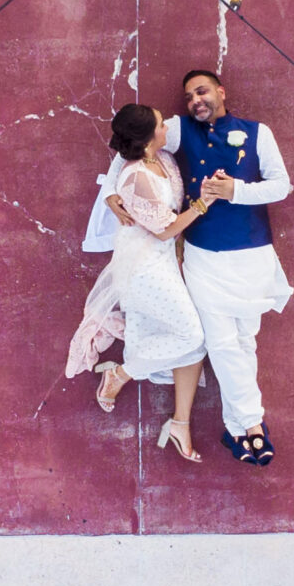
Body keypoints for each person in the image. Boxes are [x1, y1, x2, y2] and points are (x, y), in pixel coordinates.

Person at [97, 69, 293, 465]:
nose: (195, 101)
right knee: (220, 343)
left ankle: (237, 428)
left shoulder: (259, 133)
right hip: (202, 254)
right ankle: (253, 425)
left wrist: (236, 190)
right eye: (188, 97)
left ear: (221, 91)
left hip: (252, 253)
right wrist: (110, 193)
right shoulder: (180, 130)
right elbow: (130, 148)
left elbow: (281, 186)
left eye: (201, 92)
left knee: (244, 341)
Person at [66, 104, 218, 462]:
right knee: (191, 336)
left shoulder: (161, 158)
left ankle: (180, 423)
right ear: (149, 136)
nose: (168, 126)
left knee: (192, 347)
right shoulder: (136, 177)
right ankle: (120, 374)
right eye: (162, 123)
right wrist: (204, 203)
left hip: (165, 263)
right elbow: (165, 229)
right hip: (143, 268)